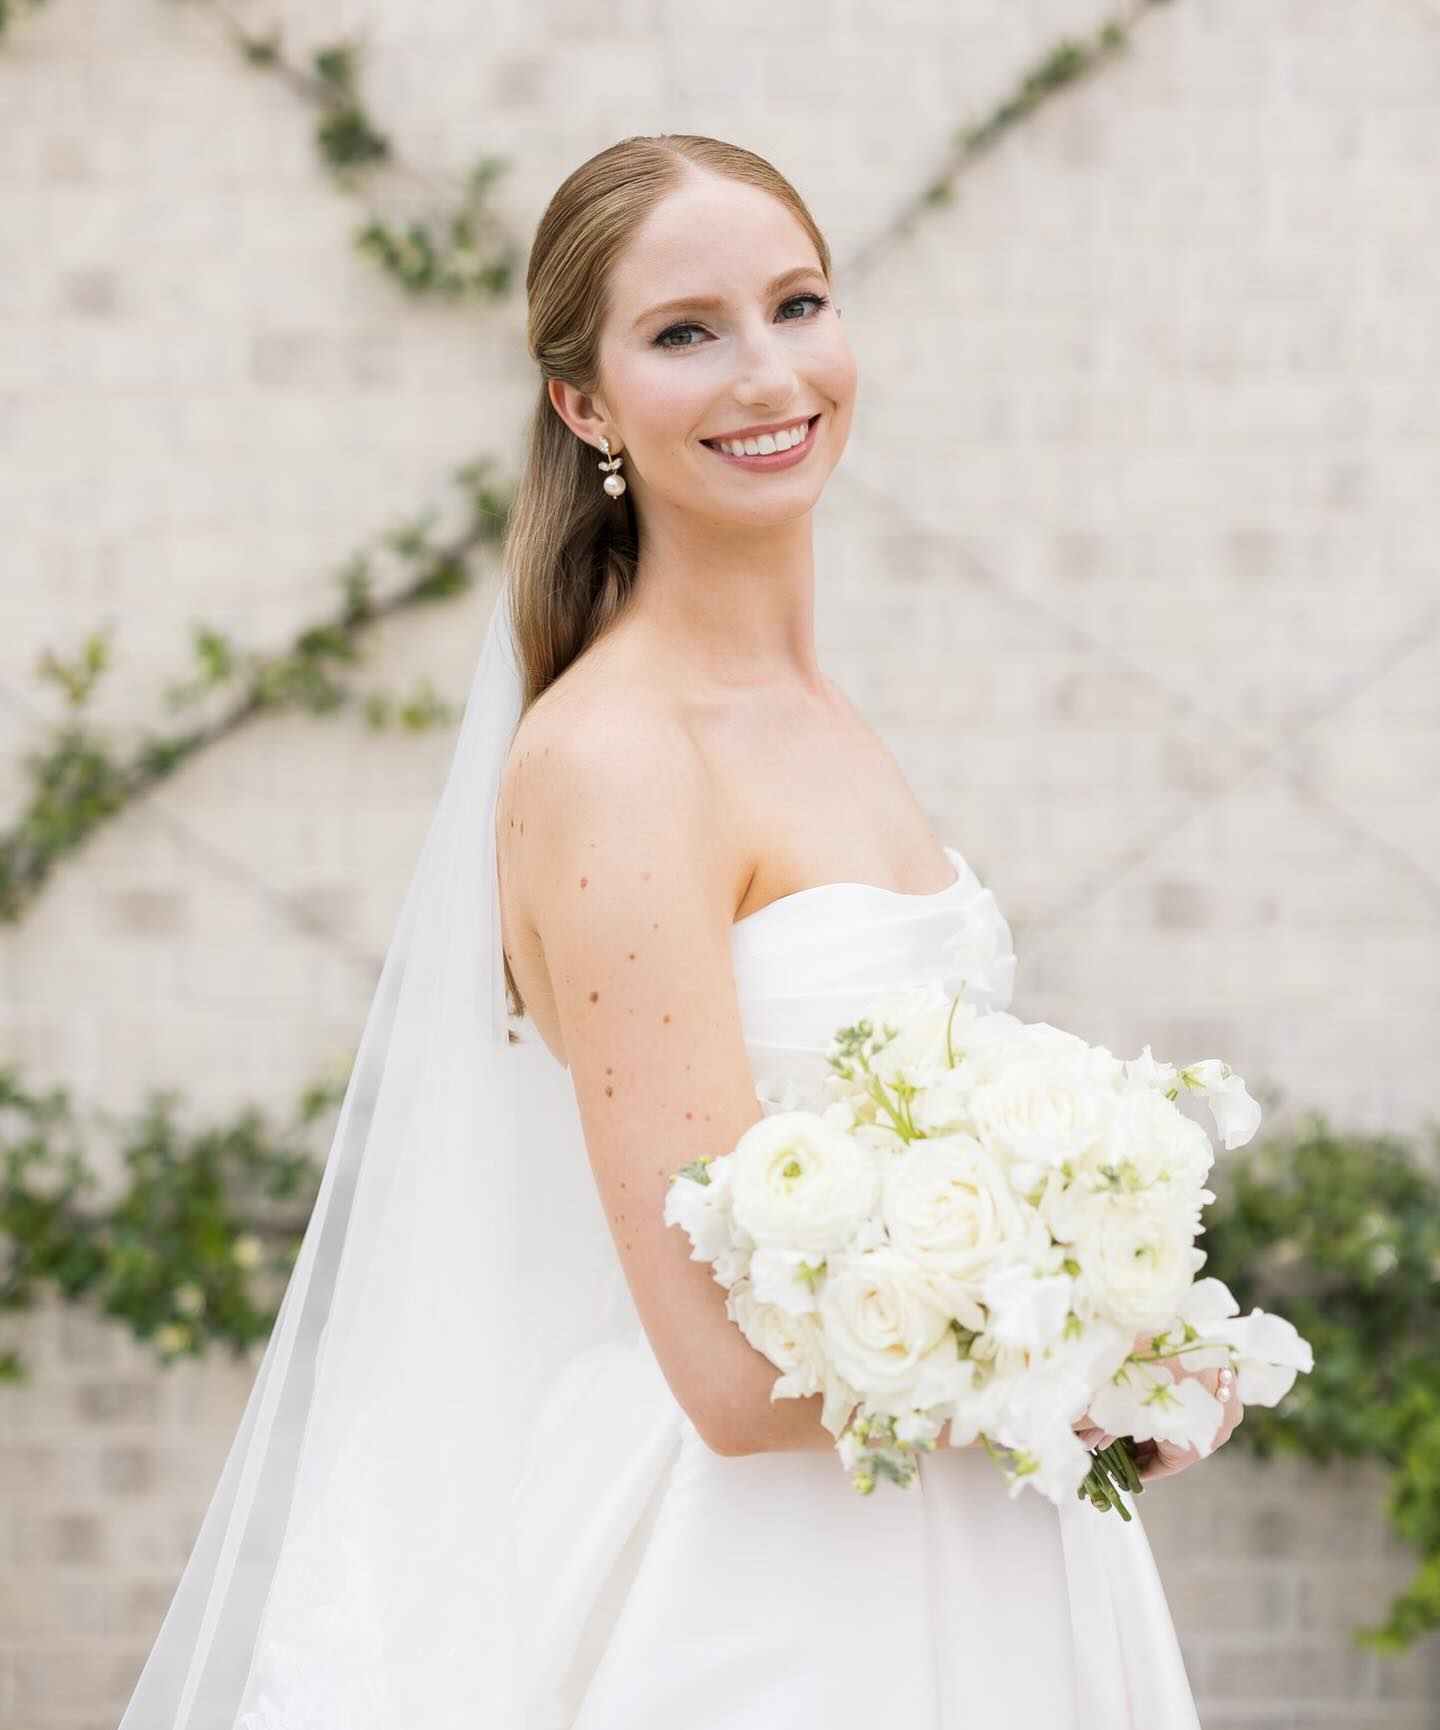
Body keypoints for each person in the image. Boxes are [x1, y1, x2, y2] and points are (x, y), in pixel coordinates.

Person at [117, 133, 1240, 1730]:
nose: (769, 370)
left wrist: (1114, 1304)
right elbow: (723, 1372)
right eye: (686, 330)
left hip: (987, 1541)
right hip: (777, 1602)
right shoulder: (620, 757)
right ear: (583, 405)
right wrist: (1106, 1360)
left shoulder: (816, 713)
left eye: (798, 302)